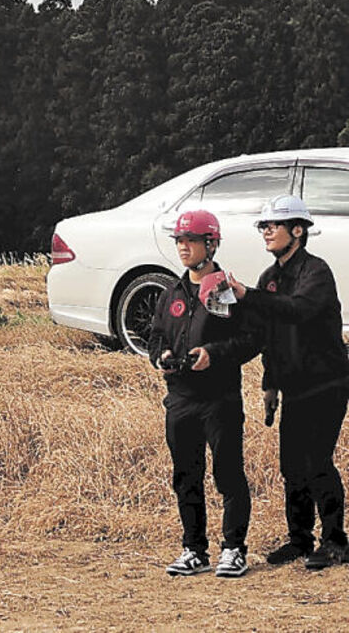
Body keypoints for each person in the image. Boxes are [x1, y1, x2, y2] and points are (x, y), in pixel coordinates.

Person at [229, 195, 349, 570]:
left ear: (297, 230)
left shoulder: (317, 272)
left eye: (273, 225)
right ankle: (300, 540)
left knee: (317, 462)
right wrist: (269, 384)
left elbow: (297, 311)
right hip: (294, 387)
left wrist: (249, 295)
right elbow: (271, 337)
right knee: (292, 466)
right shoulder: (270, 279)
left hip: (328, 382)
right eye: (263, 226)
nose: (266, 231)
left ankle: (336, 542)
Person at [147, 210, 258, 578]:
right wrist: (160, 356)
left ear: (211, 243)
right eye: (179, 240)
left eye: (190, 240)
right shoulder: (171, 293)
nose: (182, 247)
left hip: (219, 399)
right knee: (185, 475)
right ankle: (194, 549)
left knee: (228, 474)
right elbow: (156, 335)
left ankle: (234, 549)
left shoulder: (226, 290)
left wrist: (215, 355)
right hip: (179, 399)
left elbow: (250, 340)